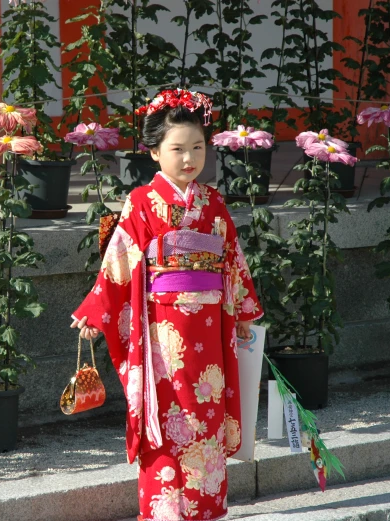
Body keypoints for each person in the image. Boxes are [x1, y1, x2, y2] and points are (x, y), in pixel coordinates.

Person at [70, 88, 263, 521]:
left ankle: (208, 507)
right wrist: (96, 315)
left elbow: (231, 260)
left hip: (210, 326)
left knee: (206, 409)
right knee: (165, 413)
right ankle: (163, 511)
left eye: (198, 148)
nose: (189, 158)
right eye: (177, 149)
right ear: (155, 152)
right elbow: (121, 261)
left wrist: (243, 314)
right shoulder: (141, 202)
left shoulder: (213, 203)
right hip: (162, 332)